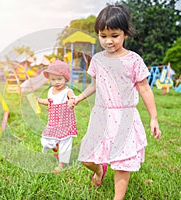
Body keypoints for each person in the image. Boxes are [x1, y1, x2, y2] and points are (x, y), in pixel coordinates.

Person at [71, 4, 161, 200]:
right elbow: (94, 85)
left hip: (125, 116)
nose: (108, 41)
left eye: (114, 35)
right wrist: (78, 98)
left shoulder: (134, 60)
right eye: (103, 36)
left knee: (122, 162)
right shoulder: (97, 60)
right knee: (86, 157)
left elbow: (145, 88)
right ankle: (99, 171)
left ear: (125, 34)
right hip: (101, 115)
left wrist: (153, 118)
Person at [37, 60, 77, 174]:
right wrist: (39, 100)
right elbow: (50, 102)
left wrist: (72, 101)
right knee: (45, 141)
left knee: (65, 143)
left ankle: (61, 164)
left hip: (66, 123)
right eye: (53, 79)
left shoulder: (67, 91)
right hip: (53, 122)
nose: (56, 82)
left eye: (60, 79)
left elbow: (72, 97)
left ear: (65, 78)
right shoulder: (50, 91)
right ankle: (54, 145)